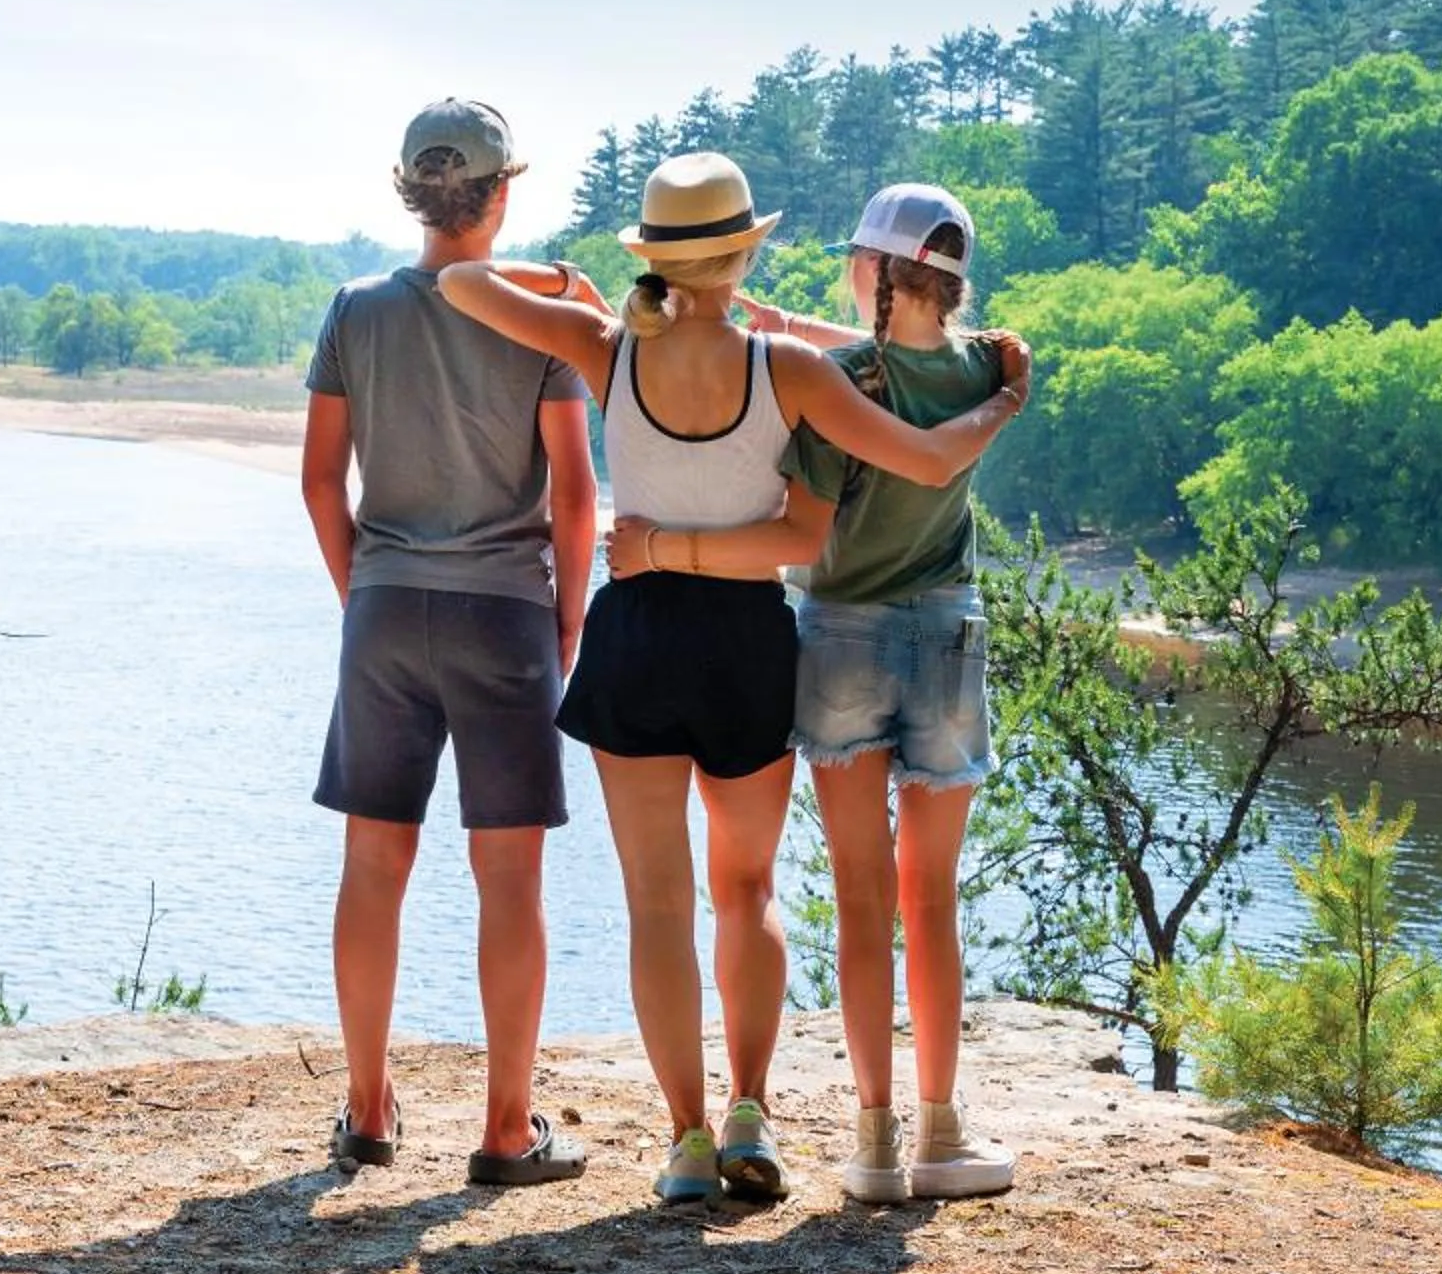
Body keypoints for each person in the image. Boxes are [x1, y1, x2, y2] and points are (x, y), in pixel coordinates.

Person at [436, 155, 1027, 1204]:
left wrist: (578, 285)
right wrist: (1004, 389)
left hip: (637, 638)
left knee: (656, 904)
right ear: (747, 248)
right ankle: (754, 1106)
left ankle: (689, 1139)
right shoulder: (789, 368)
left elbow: (460, 284)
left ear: (658, 255)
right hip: (749, 639)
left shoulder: (605, 348)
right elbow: (917, 457)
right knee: (745, 887)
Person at [611, 184, 1023, 1204]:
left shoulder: (833, 380)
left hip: (838, 637)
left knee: (859, 893)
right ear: (950, 280)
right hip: (945, 636)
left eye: (856, 261)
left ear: (876, 272)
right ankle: (941, 1129)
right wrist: (1009, 399)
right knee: (933, 899)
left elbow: (842, 404)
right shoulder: (985, 370)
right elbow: (924, 374)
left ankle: (874, 1141)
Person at [301, 98, 600, 1188]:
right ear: (502, 192)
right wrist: (565, 618)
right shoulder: (540, 317)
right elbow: (575, 493)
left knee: (372, 863)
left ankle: (370, 1109)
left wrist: (362, 592)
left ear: (411, 190)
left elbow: (319, 478)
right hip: (504, 613)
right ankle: (506, 1129)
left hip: (385, 606)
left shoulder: (355, 307)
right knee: (509, 874)